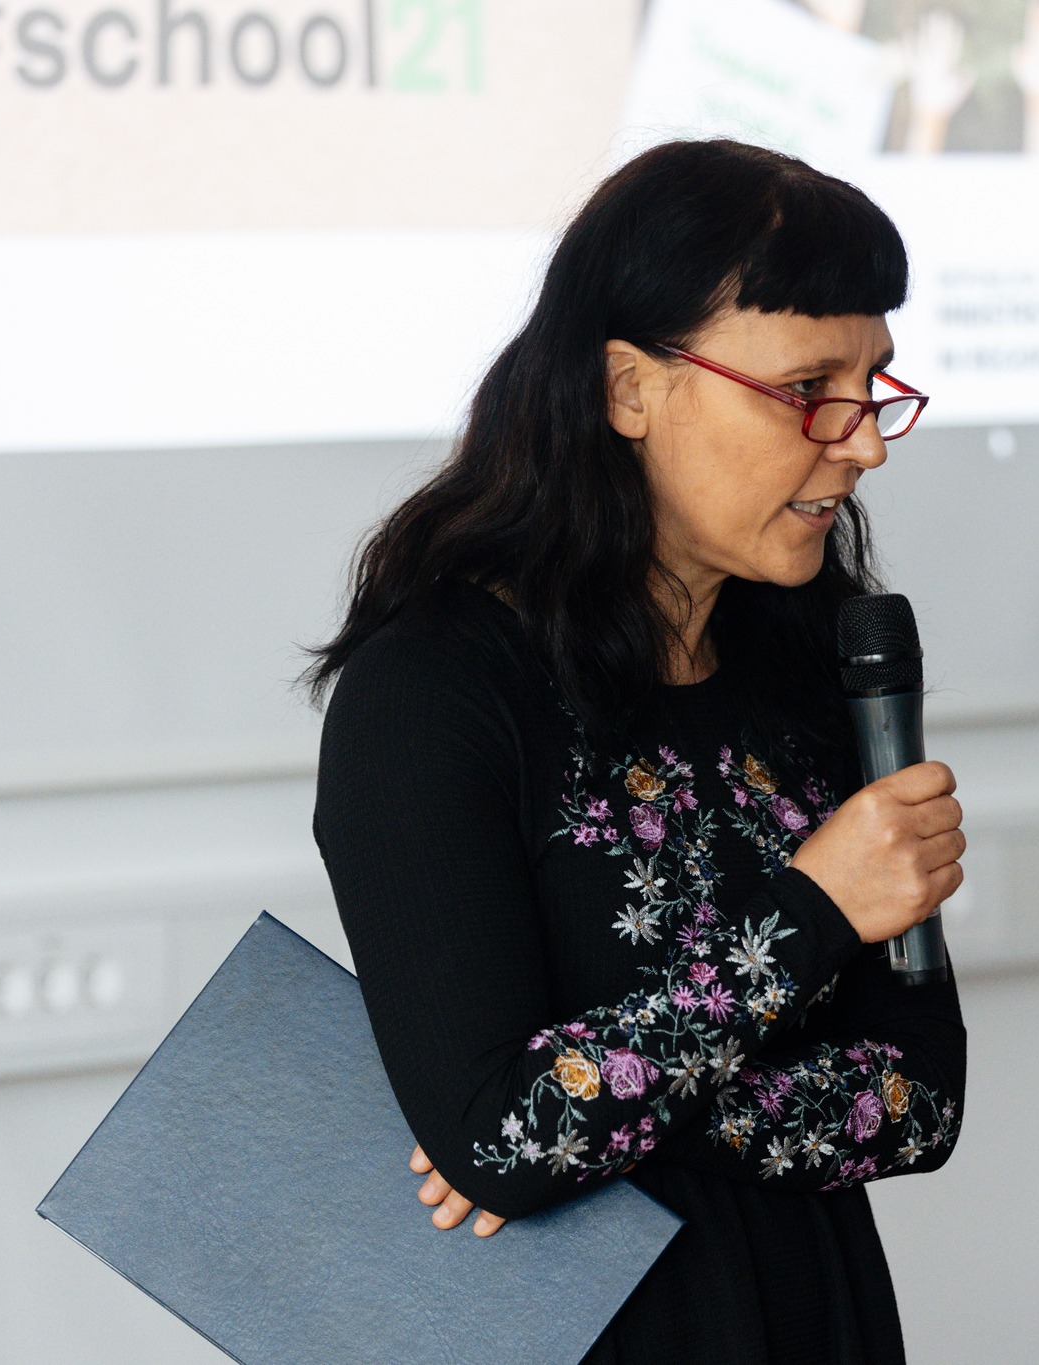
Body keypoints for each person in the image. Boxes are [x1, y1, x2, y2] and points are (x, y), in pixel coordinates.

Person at [300, 138, 969, 1364]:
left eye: (874, 384)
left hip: (813, 1319)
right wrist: (815, 906)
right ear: (626, 389)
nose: (863, 441)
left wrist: (594, 1105)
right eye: (808, 386)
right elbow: (502, 1141)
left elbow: (916, 1108)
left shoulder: (817, 656)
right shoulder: (436, 692)